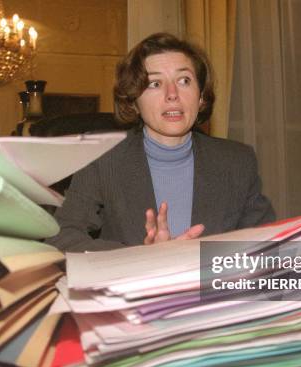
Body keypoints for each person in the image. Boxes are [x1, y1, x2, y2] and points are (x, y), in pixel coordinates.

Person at [46, 33, 274, 252]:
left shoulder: (237, 162)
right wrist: (145, 258)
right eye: (154, 83)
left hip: (211, 290)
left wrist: (200, 262)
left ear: (201, 96)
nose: (172, 94)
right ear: (133, 101)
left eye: (184, 80)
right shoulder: (103, 159)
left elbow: (268, 248)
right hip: (133, 289)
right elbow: (62, 238)